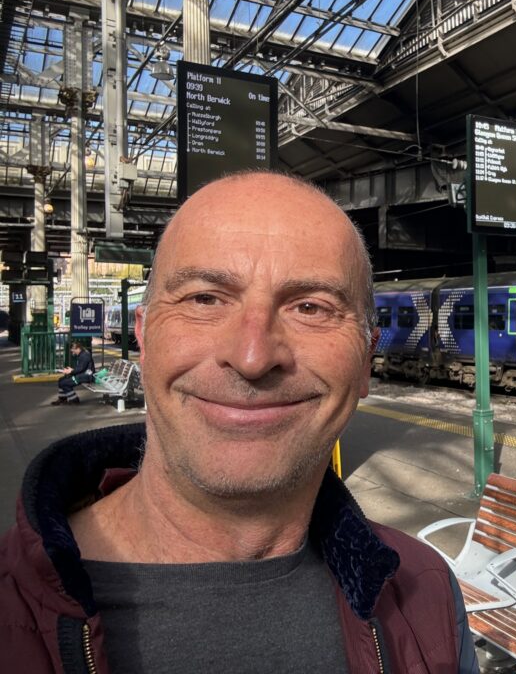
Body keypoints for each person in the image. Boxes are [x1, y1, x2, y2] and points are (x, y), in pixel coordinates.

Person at [1, 172, 480, 673]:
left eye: (311, 307)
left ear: (365, 361)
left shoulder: (426, 591)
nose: (252, 357)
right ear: (144, 340)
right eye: (204, 299)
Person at [53, 339, 95, 404]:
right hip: (82, 375)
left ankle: (74, 399)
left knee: (64, 383)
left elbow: (80, 368)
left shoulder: (85, 355)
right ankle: (62, 398)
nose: (73, 353)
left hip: (85, 376)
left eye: (73, 351)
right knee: (61, 380)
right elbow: (80, 368)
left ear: (77, 349)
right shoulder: (82, 354)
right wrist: (71, 370)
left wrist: (71, 371)